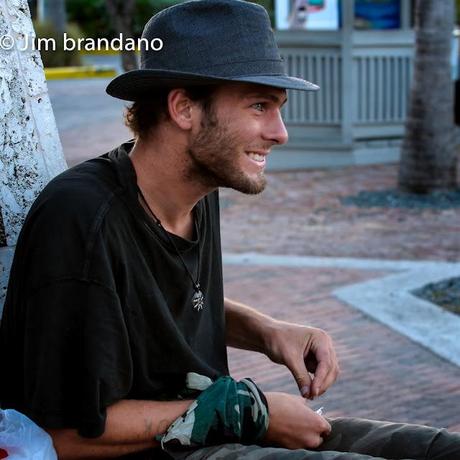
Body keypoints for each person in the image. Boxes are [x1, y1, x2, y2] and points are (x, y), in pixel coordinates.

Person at [0, 1, 459, 459]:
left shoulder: (199, 187)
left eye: (278, 108)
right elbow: (63, 435)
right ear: (184, 108)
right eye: (259, 106)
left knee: (436, 448)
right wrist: (246, 411)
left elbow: (154, 303)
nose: (280, 133)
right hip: (151, 450)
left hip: (218, 430)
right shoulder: (81, 217)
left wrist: (267, 330)